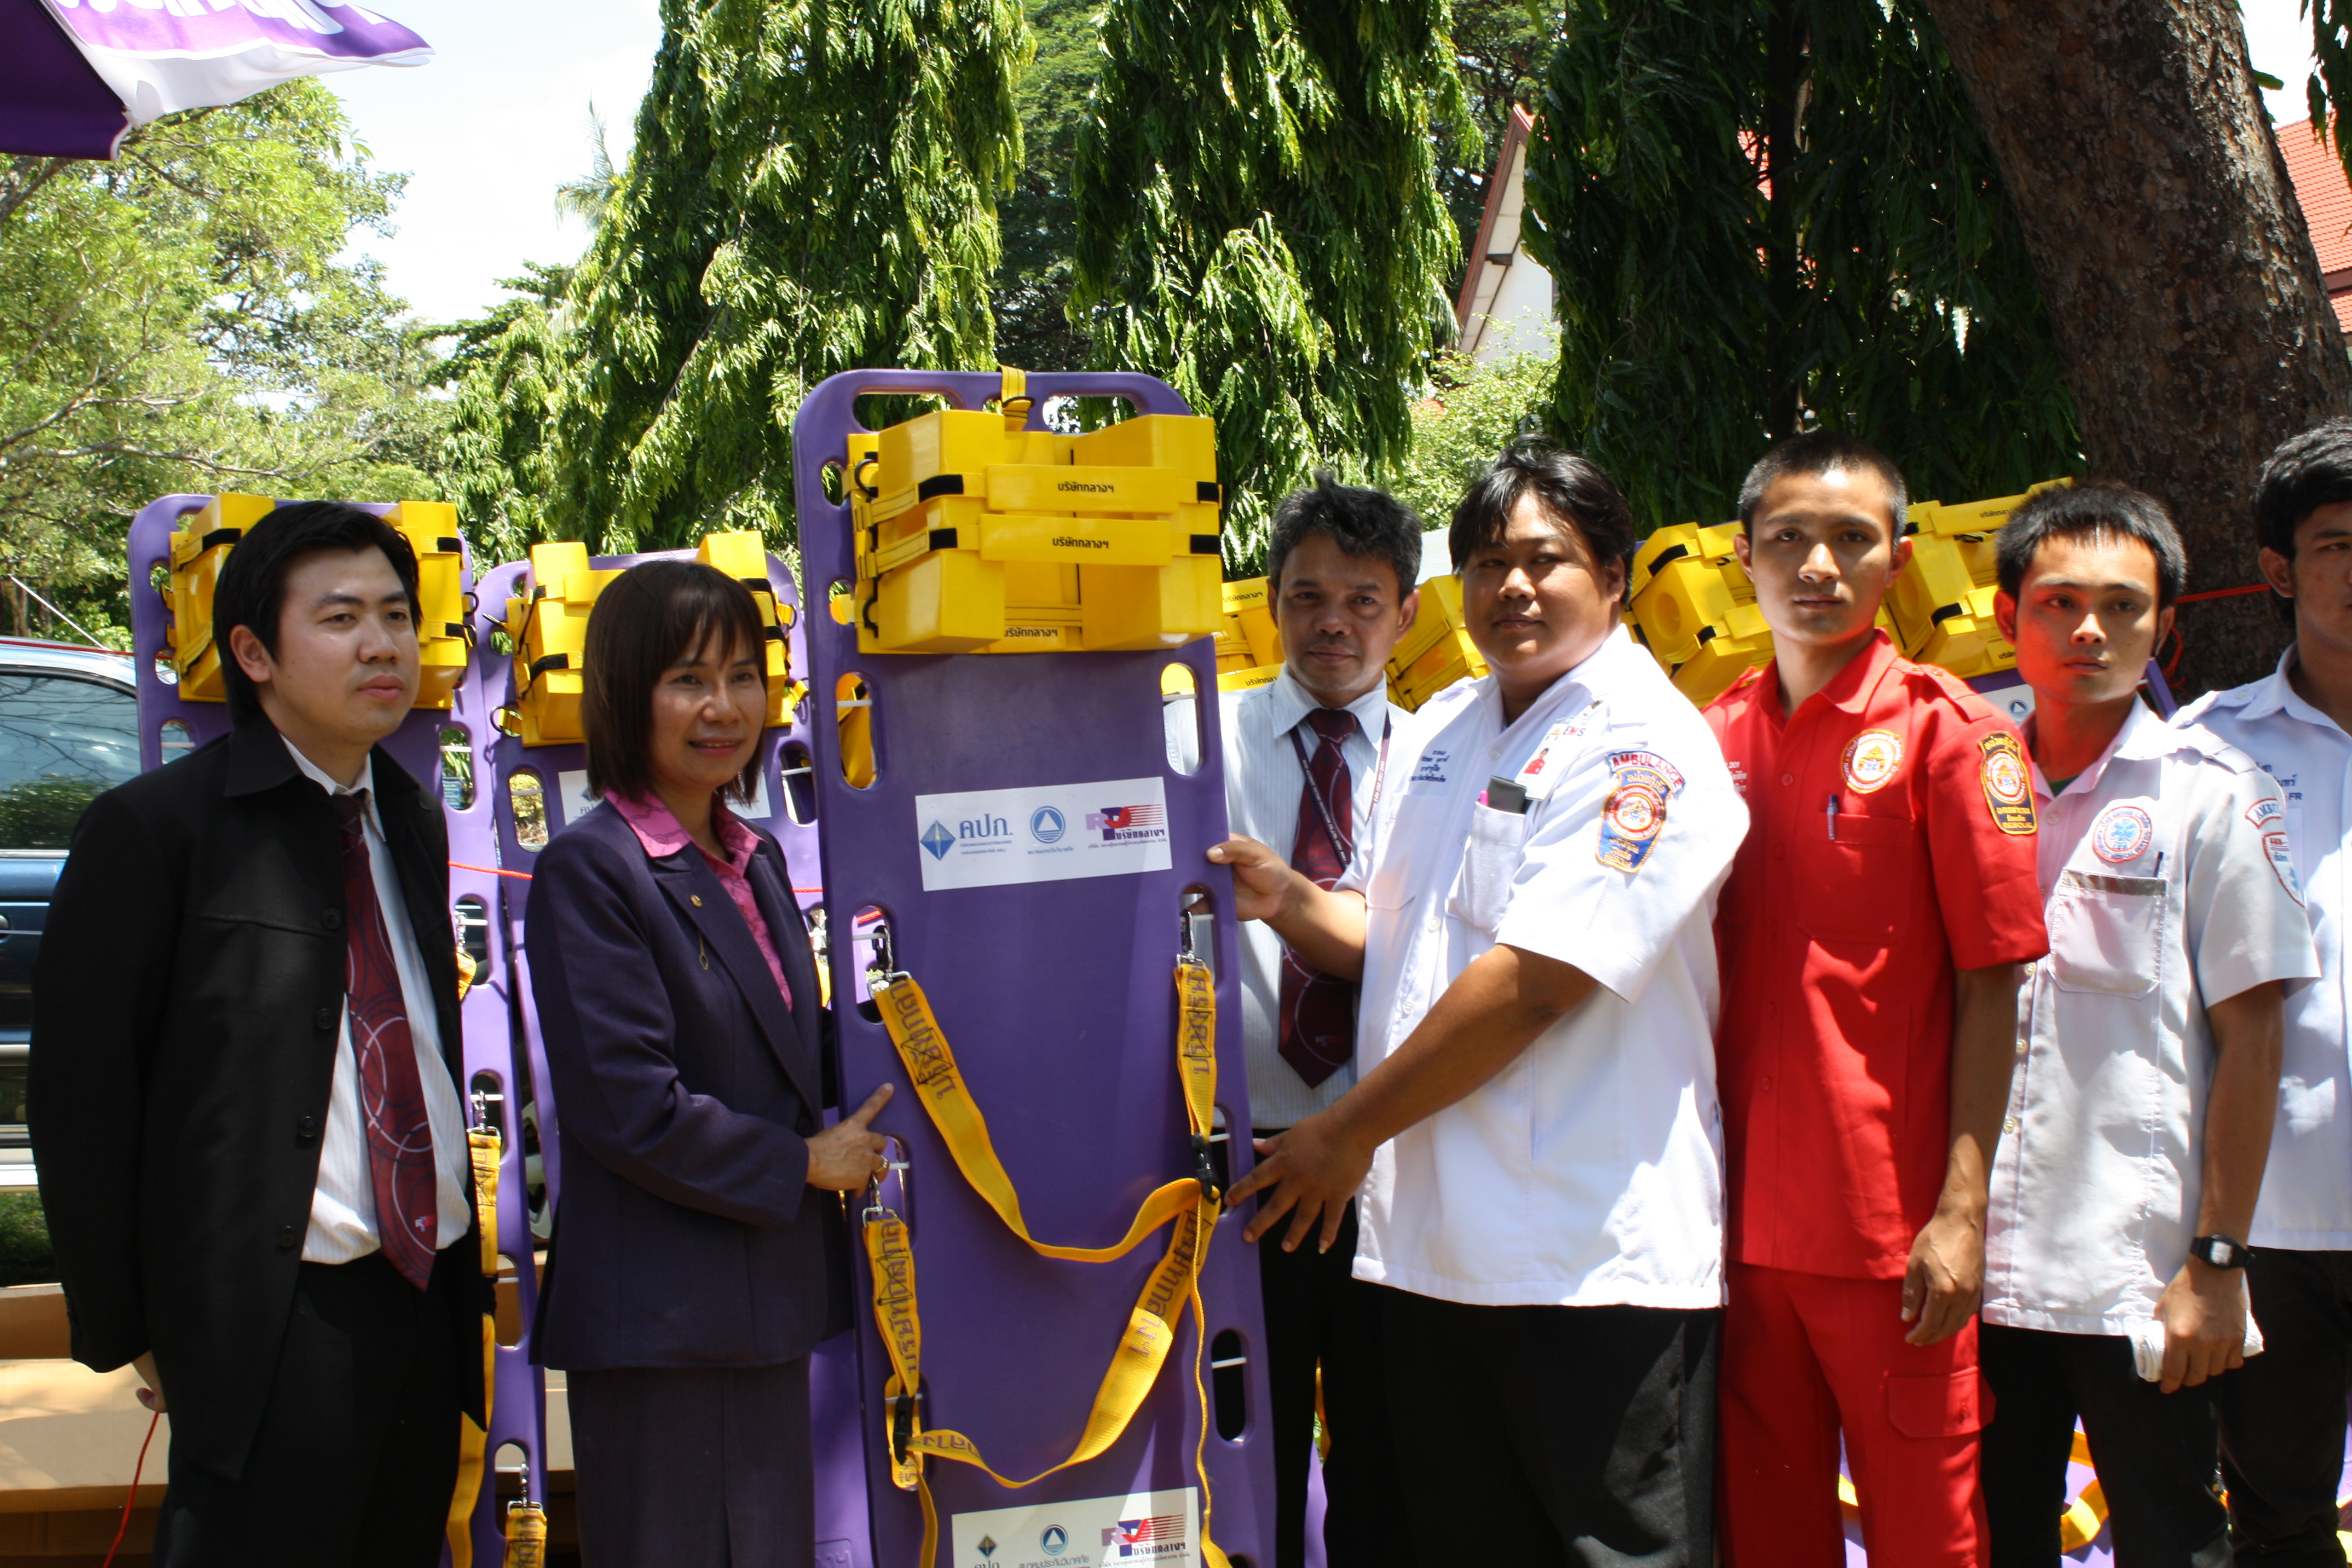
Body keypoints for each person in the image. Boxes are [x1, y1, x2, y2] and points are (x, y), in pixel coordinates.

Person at [1213, 438, 1744, 1567]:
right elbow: (1402, 946)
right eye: (1490, 563)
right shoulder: (1453, 729)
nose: (1514, 588)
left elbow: (1533, 984)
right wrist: (1292, 899)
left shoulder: (1641, 747)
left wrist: (1342, 1134)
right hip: (1433, 1260)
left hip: (1583, 1260)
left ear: (1613, 574)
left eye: (1547, 560)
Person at [30, 502, 483, 1567]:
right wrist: (139, 1329)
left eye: (397, 616)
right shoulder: (155, 832)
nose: (382, 644)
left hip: (426, 1297)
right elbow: (81, 1102)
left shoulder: (411, 817)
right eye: (341, 617)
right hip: (270, 1321)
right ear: (253, 653)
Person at [1706, 432, 2048, 1566]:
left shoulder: (1951, 733)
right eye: (1788, 538)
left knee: (1927, 1540)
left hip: (1889, 1238)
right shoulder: (1708, 739)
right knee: (1767, 1536)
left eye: (1851, 539)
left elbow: (1993, 983)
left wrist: (1961, 1213)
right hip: (1731, 1233)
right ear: (1744, 557)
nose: (1818, 565)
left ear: (1897, 560)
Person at [524, 561, 890, 1568]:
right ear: (623, 694)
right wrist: (802, 1163)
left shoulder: (749, 854)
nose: (723, 708)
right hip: (665, 1321)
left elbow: (786, 1043)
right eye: (687, 680)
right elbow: (625, 1106)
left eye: (743, 677)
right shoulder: (592, 869)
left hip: (761, 1305)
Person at [1979, 483, 2312, 1567]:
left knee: (2176, 1544)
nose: (2090, 630)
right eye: (2060, 602)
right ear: (2007, 617)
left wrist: (2216, 1261)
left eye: (2123, 607)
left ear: (2165, 627)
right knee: (1991, 1541)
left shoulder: (2213, 795)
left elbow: (2254, 1042)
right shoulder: (1969, 785)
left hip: (2139, 1278)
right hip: (1976, 1274)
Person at [1218, 475, 1421, 1568]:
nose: (1333, 623)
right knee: (1251, 1466)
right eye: (1307, 597)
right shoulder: (1196, 742)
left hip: (1394, 1166)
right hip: (1243, 1169)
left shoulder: (1446, 760)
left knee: (1388, 1470)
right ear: (1271, 603)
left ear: (1407, 613)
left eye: (1362, 600)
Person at [2176, 417, 2352, 1563]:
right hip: (2275, 1219)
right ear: (2281, 572)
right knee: (2280, 1522)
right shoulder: (2206, 751)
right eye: (2340, 544)